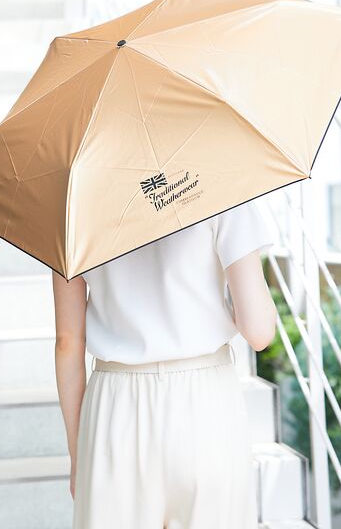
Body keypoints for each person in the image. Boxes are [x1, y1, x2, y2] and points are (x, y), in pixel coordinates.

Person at [52, 199, 277, 529]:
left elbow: (68, 342)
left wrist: (79, 455)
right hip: (205, 403)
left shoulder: (74, 204)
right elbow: (259, 331)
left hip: (115, 405)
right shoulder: (224, 186)